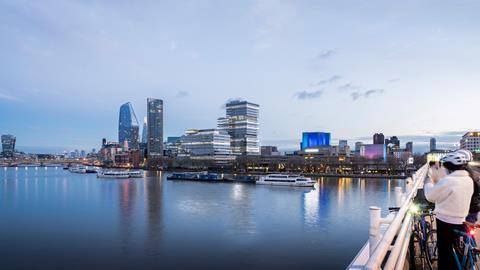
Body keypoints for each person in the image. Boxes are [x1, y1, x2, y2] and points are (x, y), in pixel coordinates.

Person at [424, 150, 474, 270]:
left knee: (445, 255)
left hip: (446, 222)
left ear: (450, 167)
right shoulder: (468, 180)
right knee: (459, 252)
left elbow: (430, 196)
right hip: (462, 220)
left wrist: (428, 182)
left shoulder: (449, 181)